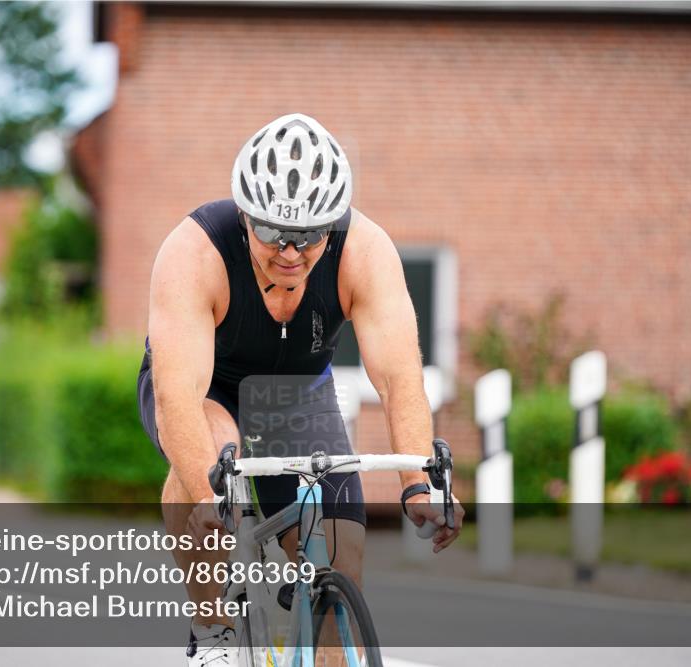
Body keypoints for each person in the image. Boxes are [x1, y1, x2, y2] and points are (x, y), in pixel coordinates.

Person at [137, 113, 465, 666]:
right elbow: (178, 401)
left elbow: (398, 376)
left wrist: (417, 484)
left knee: (341, 562)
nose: (290, 252)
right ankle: (212, 630)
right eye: (273, 233)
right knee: (213, 457)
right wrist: (205, 496)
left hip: (296, 395)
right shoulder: (194, 252)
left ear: (331, 225)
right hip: (205, 390)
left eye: (310, 236)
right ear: (245, 214)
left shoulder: (364, 251)